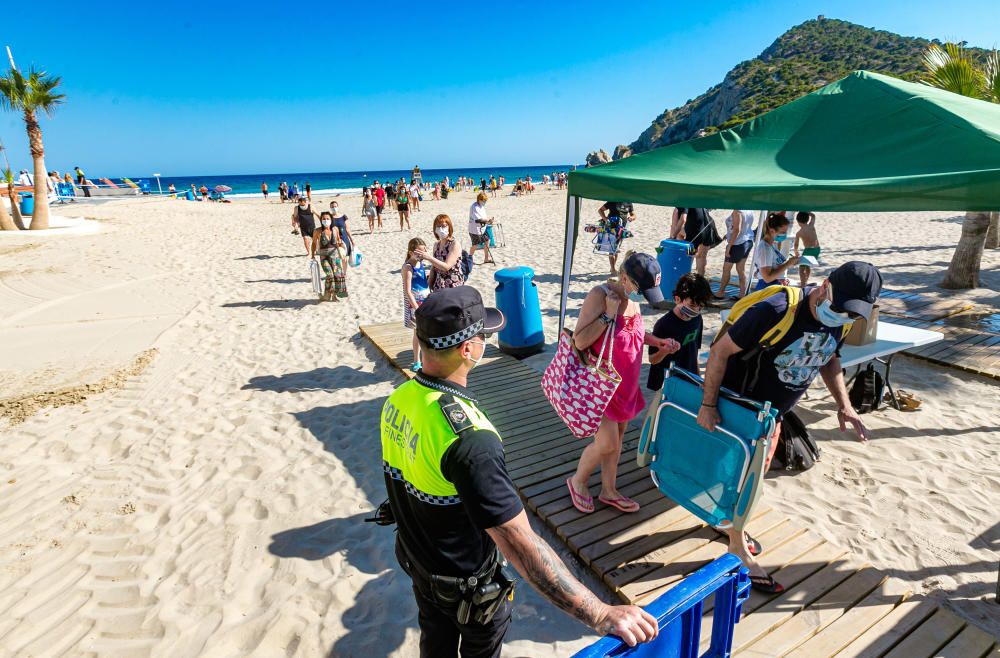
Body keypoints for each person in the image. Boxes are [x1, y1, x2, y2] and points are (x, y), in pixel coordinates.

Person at [381, 286, 658, 658]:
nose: (484, 343)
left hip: (420, 565)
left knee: (435, 640)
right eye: (483, 337)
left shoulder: (399, 400)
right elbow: (518, 541)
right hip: (465, 583)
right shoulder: (470, 439)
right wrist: (600, 612)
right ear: (468, 350)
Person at [697, 261, 883, 592]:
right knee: (745, 480)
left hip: (774, 416)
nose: (843, 317)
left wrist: (845, 405)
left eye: (853, 314)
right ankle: (737, 548)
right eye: (841, 308)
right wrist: (709, 405)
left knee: (750, 478)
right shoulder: (776, 309)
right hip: (740, 409)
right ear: (826, 285)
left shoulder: (841, 320)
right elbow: (718, 353)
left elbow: (829, 357)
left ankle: (728, 523)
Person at [566, 252, 673, 515]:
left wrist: (656, 341)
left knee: (619, 439)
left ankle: (608, 490)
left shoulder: (633, 300)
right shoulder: (599, 295)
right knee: (606, 444)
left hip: (625, 387)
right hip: (602, 389)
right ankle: (577, 481)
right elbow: (579, 341)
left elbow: (632, 333)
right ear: (624, 278)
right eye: (641, 289)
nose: (644, 297)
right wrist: (608, 315)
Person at [647, 273, 712, 390]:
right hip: (666, 382)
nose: (696, 310)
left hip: (689, 378)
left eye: (700, 306)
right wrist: (664, 351)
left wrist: (697, 377)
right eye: (692, 305)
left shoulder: (697, 319)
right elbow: (652, 360)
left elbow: (694, 350)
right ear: (677, 299)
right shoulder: (664, 325)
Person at [402, 237, 431, 371]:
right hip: (415, 303)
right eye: (419, 252)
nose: (422, 255)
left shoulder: (421, 264)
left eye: (424, 252)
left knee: (426, 331)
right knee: (418, 332)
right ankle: (416, 360)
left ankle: (426, 358)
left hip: (425, 299)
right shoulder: (408, 266)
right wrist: (416, 308)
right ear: (410, 252)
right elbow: (408, 291)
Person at [715, 209, 756, 299]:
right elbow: (741, 227)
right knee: (740, 269)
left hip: (737, 243)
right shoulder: (749, 209)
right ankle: (742, 293)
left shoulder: (737, 212)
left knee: (726, 269)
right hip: (748, 240)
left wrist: (729, 246)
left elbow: (737, 230)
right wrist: (728, 234)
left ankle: (721, 292)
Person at [753, 213, 799, 291]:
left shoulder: (772, 245)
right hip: (766, 290)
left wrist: (781, 278)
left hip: (773, 287)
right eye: (783, 232)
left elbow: (772, 268)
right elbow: (767, 278)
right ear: (772, 231)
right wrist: (788, 264)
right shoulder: (765, 248)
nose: (785, 235)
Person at [419, 214, 464, 291]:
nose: (441, 229)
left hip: (453, 284)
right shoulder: (436, 245)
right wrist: (429, 285)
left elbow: (446, 267)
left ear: (449, 227)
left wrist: (429, 258)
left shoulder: (454, 244)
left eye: (444, 226)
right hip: (439, 283)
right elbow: (434, 267)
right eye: (438, 226)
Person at [672, 208, 717, 277]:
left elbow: (681, 221)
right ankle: (701, 279)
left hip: (694, 235)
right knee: (701, 257)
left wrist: (672, 236)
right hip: (708, 229)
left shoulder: (679, 206)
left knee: (689, 256)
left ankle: (686, 277)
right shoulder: (696, 199)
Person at [311, 211, 345, 302]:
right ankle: (326, 295)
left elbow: (338, 241)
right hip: (324, 257)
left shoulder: (335, 229)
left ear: (331, 219)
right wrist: (312, 255)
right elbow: (314, 243)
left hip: (335, 256)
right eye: (324, 219)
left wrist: (342, 249)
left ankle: (333, 296)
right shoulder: (317, 231)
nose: (325, 220)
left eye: (327, 219)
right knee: (330, 275)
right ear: (321, 220)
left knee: (337, 276)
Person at [597, 200, 635, 274]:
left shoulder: (628, 202)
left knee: (616, 248)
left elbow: (633, 215)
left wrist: (631, 218)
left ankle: (612, 268)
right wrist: (605, 219)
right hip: (611, 229)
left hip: (622, 229)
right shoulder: (613, 201)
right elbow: (600, 210)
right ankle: (613, 269)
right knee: (612, 249)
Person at [794, 211, 821, 287]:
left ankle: (803, 284)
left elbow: (796, 245)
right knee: (807, 265)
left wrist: (796, 252)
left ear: (798, 221)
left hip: (808, 250)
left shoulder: (799, 233)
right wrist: (807, 211)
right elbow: (813, 216)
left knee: (802, 268)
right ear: (807, 219)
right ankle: (805, 280)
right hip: (817, 249)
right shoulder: (811, 226)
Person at [468, 192, 495, 265]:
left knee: (487, 240)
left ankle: (486, 258)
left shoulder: (481, 206)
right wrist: (488, 220)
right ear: (479, 199)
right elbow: (478, 219)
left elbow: (483, 217)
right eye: (483, 201)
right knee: (475, 245)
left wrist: (489, 221)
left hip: (482, 228)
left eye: (485, 201)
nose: (484, 202)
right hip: (475, 229)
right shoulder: (475, 207)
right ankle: (469, 259)